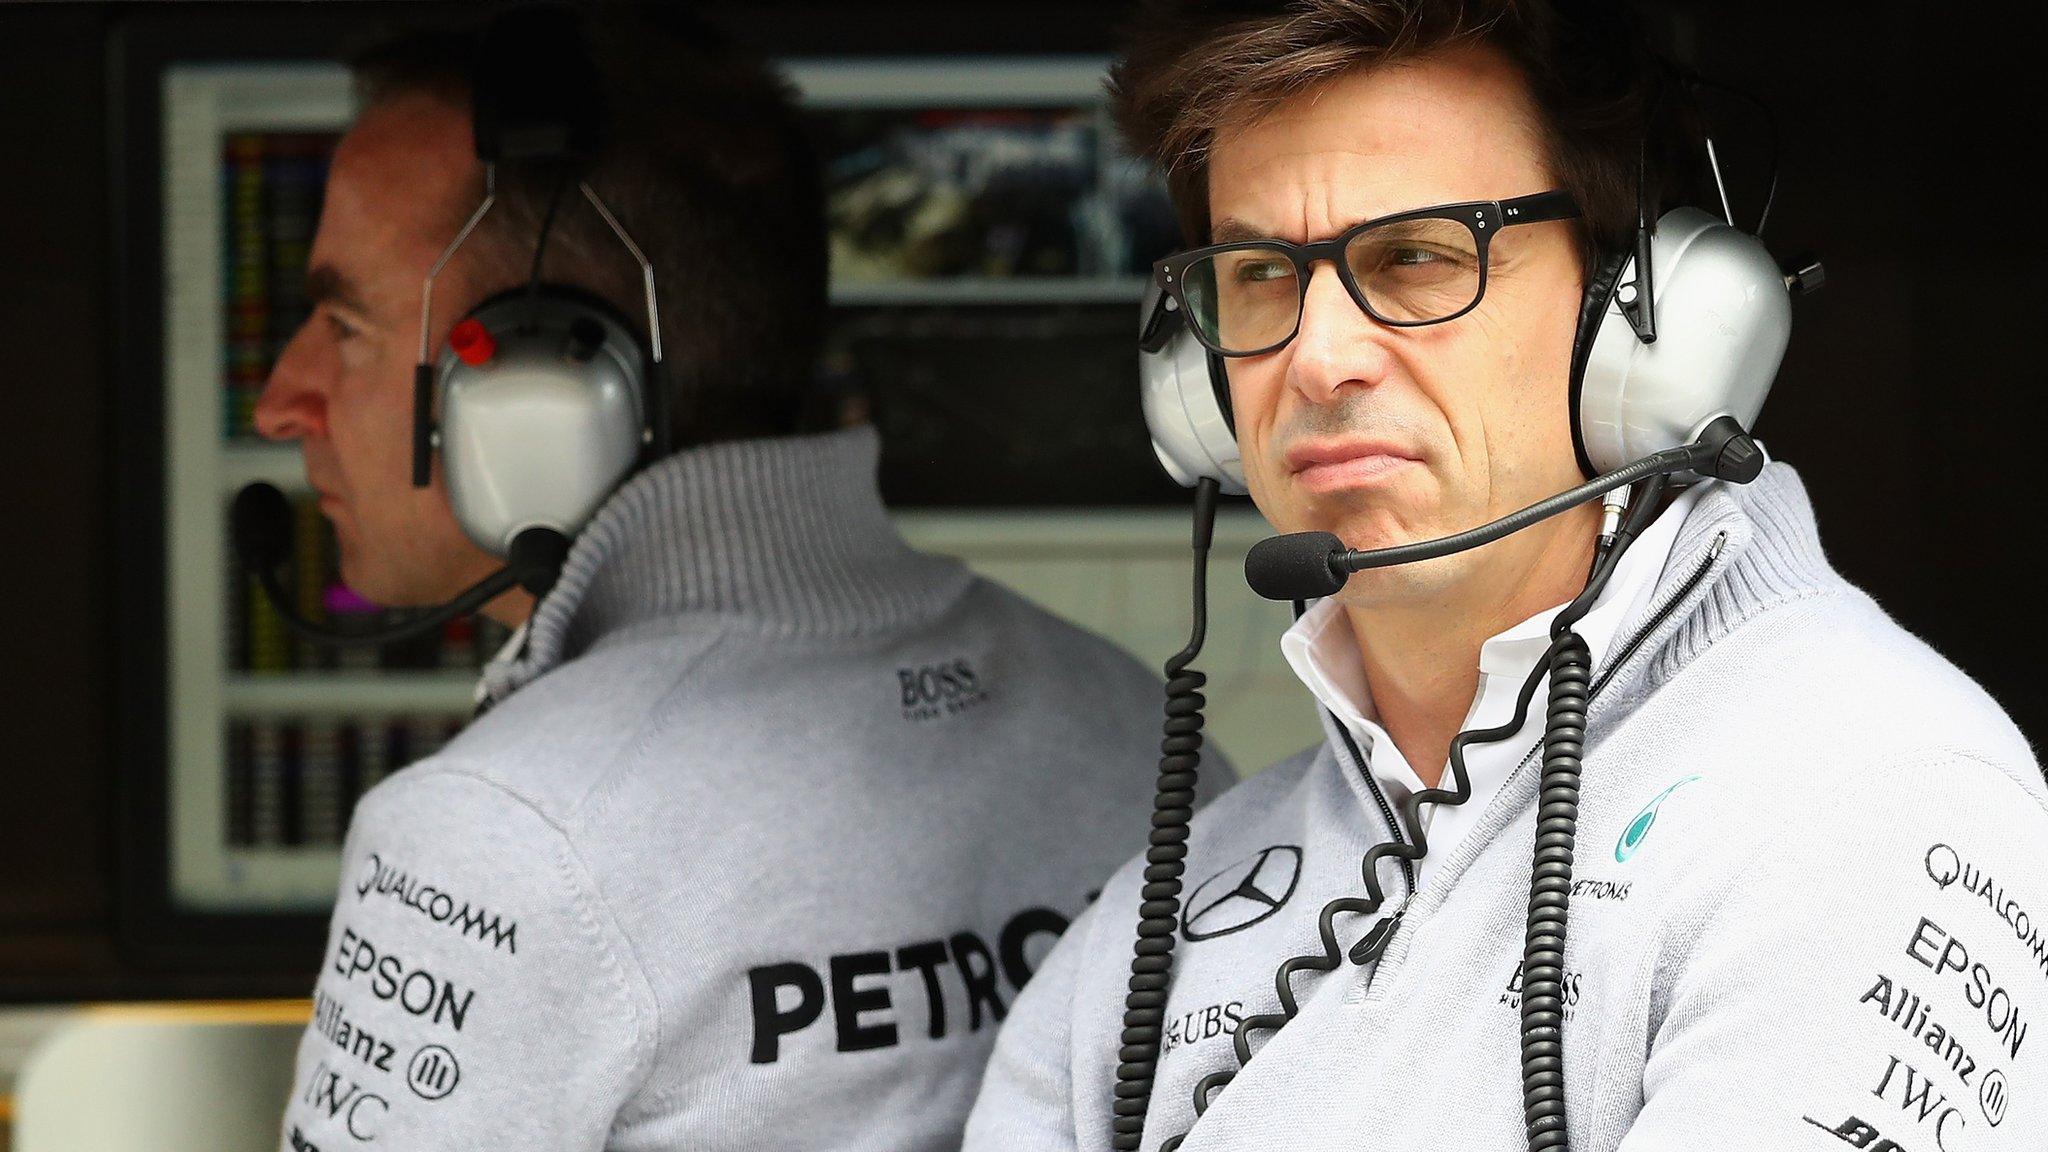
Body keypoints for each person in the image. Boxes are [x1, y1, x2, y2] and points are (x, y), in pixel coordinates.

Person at [964, 2, 2048, 1149]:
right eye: (1257, 274)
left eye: (1420, 256)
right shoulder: (1153, 928)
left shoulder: (1862, 801)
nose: (1317, 358)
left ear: (1642, 312)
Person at [257, 8, 1192, 1148]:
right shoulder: (1139, 728)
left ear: (547, 387)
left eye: (342, 323)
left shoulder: (496, 839)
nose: (279, 399)